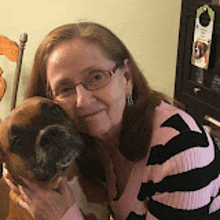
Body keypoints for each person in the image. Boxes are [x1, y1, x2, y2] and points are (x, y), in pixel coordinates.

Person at [3, 22, 220, 219]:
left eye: (97, 77)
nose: (82, 100)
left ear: (126, 77)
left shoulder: (180, 147)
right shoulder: (88, 139)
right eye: (65, 88)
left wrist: (64, 217)